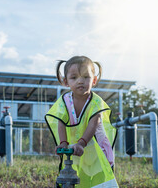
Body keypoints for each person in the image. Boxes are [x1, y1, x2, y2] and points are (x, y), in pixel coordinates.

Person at [45, 56, 118, 188]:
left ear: (94, 80)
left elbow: (93, 123)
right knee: (77, 176)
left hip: (95, 146)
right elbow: (61, 122)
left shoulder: (96, 102)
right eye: (74, 78)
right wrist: (63, 142)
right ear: (66, 81)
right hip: (75, 146)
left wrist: (81, 143)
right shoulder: (64, 101)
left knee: (99, 178)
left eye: (86, 77)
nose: (80, 81)